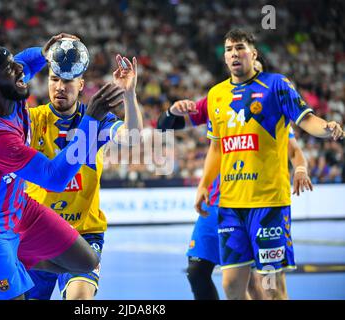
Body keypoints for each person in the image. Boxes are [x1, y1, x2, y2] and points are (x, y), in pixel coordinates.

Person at [0, 33, 126, 300]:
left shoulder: (9, 89)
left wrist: (47, 52)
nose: (20, 70)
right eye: (11, 69)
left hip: (17, 207)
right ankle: (8, 263)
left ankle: (18, 259)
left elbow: (27, 62)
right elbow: (54, 178)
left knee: (86, 261)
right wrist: (90, 120)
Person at [194, 28, 343, 300]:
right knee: (231, 285)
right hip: (230, 204)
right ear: (224, 58)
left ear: (253, 53)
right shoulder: (216, 95)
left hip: (269, 204)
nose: (234, 53)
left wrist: (328, 127)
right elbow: (216, 147)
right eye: (228, 49)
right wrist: (204, 184)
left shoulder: (276, 85)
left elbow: (306, 120)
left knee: (272, 288)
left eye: (239, 47)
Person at [158, 57, 312, 300]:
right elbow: (164, 125)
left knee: (255, 285)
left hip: (253, 201)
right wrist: (171, 111)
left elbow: (294, 150)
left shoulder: (271, 110)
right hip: (218, 201)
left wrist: (300, 168)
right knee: (197, 270)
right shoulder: (219, 99)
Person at [25, 52, 143, 300]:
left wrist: (129, 95)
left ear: (80, 85)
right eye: (54, 79)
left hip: (83, 233)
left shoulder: (98, 120)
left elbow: (132, 139)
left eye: (68, 81)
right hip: (36, 232)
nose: (60, 87)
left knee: (80, 299)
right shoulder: (33, 120)